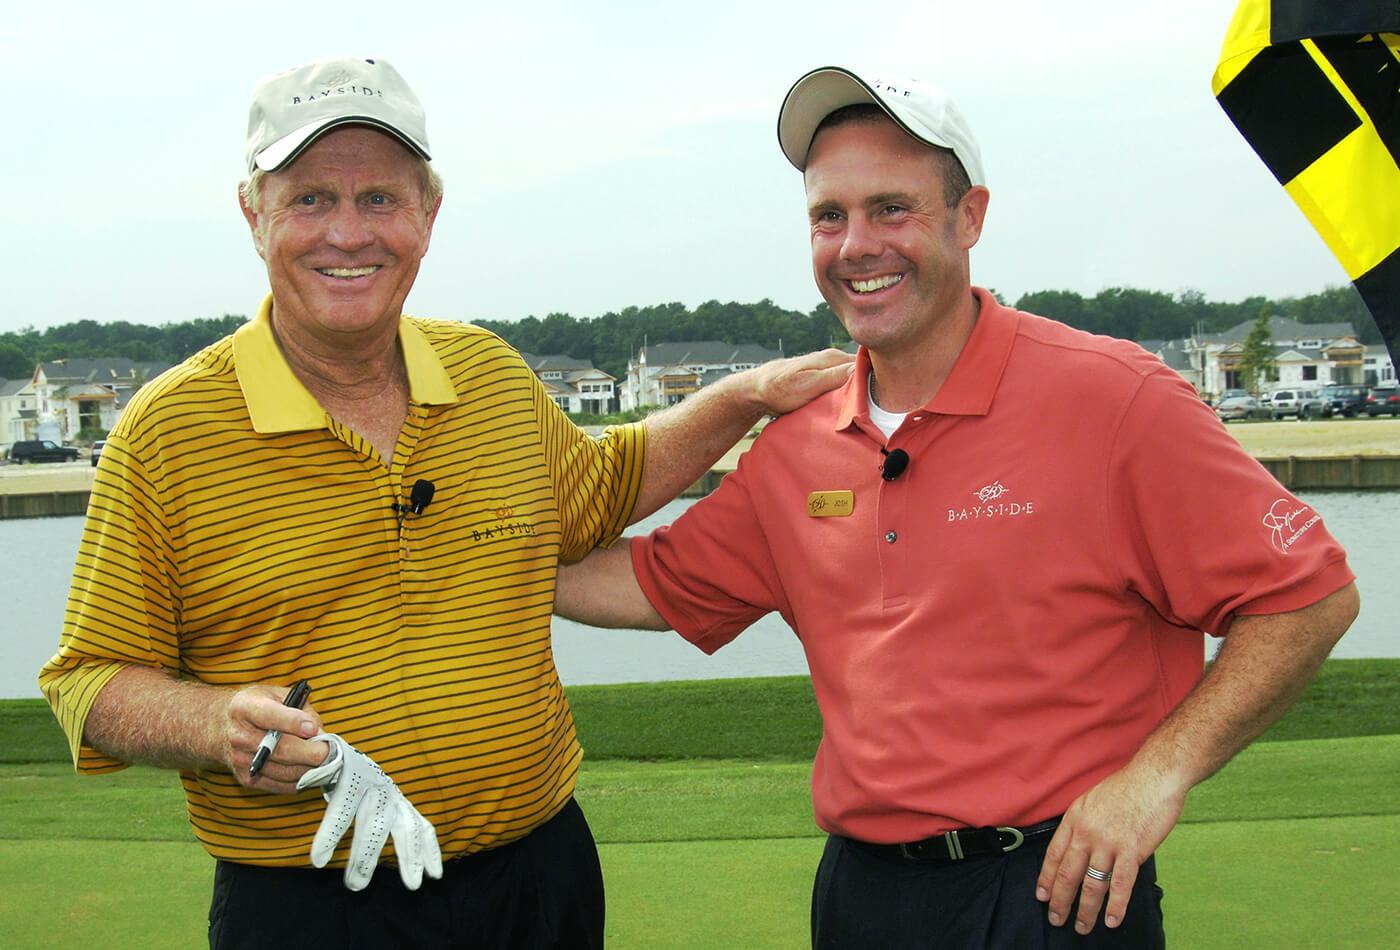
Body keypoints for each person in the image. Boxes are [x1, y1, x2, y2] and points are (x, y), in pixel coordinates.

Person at [37, 55, 852, 950]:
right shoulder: (166, 431)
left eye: (380, 199)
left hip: (537, 881)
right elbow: (89, 680)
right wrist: (215, 724)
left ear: (428, 213)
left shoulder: (490, 376)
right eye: (310, 198)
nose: (349, 233)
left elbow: (607, 484)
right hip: (310, 909)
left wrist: (744, 395)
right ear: (252, 213)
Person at [553, 65, 1360, 949]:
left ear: (970, 216)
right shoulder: (798, 444)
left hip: (1054, 895)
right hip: (864, 897)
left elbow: (1308, 595)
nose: (856, 243)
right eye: (830, 215)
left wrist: (1154, 779)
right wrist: (450, 548)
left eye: (892, 208)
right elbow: (641, 585)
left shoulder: (1115, 397)